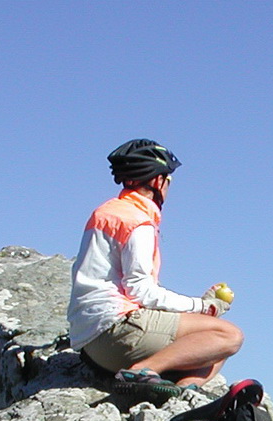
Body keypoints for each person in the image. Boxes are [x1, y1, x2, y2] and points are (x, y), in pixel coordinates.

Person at [67, 139, 243, 396]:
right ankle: (141, 372)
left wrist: (204, 311)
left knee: (212, 347)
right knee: (229, 336)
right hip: (117, 332)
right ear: (157, 181)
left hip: (90, 345)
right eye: (169, 180)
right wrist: (203, 307)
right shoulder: (137, 221)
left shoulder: (107, 212)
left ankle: (180, 392)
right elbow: (140, 291)